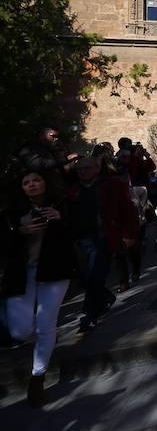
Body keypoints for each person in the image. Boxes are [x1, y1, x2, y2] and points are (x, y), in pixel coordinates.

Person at [2, 171, 76, 407]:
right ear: (21, 188)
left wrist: (60, 218)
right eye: (26, 182)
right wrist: (18, 232)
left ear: (45, 183)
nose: (32, 184)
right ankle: (38, 348)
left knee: (46, 323)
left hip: (54, 272)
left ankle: (37, 377)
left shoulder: (62, 204)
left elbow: (79, 229)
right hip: (21, 274)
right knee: (20, 330)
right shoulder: (11, 212)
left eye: (36, 180)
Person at [66, 157, 137, 333]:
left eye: (86, 168)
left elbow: (128, 210)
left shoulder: (112, 185)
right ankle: (106, 297)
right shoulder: (73, 190)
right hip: (82, 239)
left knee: (96, 274)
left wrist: (129, 234)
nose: (82, 172)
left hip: (104, 236)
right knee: (85, 277)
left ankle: (89, 315)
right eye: (79, 169)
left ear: (97, 169)